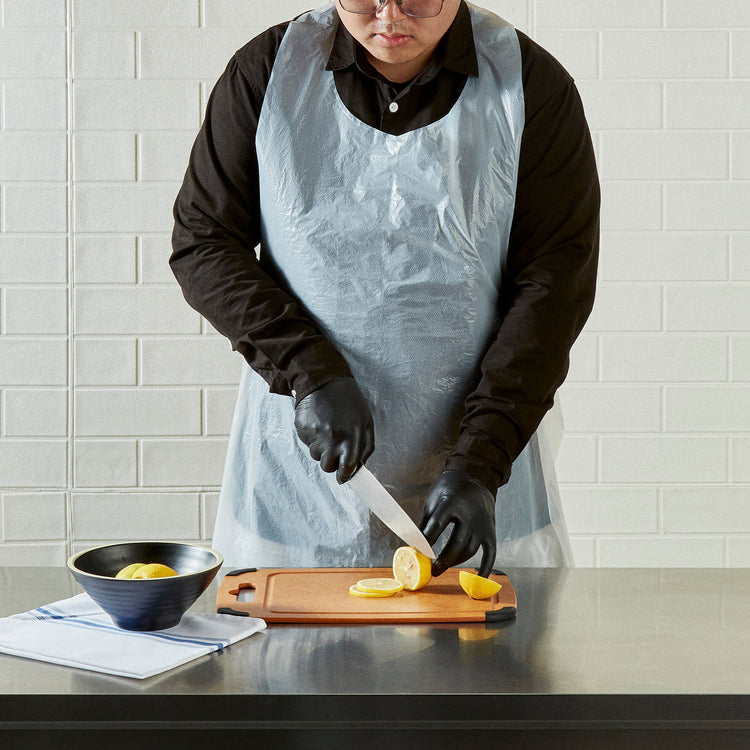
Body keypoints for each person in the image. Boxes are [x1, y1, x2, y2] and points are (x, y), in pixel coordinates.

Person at [170, 0, 599, 576]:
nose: (389, 15)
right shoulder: (266, 72)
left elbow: (554, 286)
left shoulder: (531, 85)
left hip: (480, 473)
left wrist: (482, 461)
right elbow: (203, 241)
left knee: (488, 637)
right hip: (298, 483)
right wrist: (308, 370)